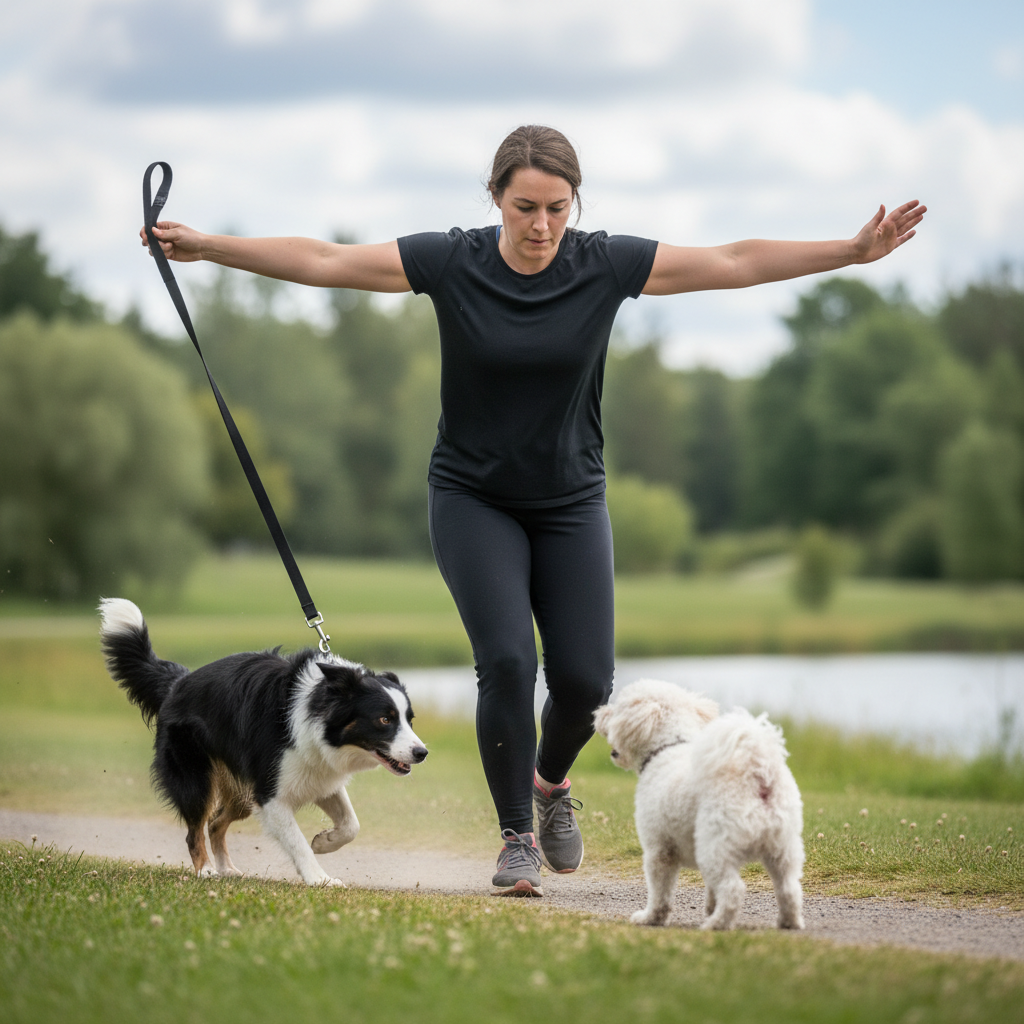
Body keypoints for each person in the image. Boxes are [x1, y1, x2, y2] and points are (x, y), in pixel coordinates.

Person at [142, 124, 926, 896]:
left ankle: (550, 785)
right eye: (525, 208)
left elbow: (730, 259)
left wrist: (849, 253)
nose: (542, 226)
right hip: (471, 496)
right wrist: (211, 246)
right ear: (496, 199)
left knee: (586, 680)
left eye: (557, 207)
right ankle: (516, 835)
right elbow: (326, 259)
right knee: (510, 661)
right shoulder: (452, 260)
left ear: (574, 204)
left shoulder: (604, 263)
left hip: (570, 498)